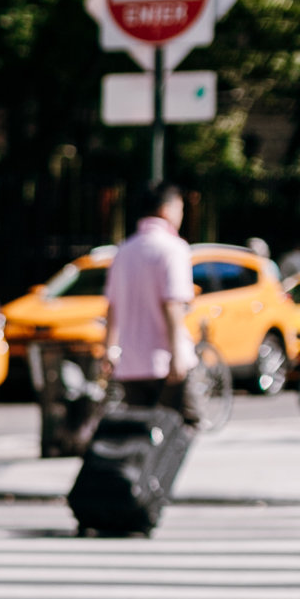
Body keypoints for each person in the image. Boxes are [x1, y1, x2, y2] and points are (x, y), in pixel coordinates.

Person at [100, 182, 200, 427]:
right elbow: (173, 304)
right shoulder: (173, 248)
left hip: (131, 364)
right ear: (167, 210)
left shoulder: (123, 251)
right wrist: (177, 354)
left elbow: (112, 306)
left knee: (142, 435)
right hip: (165, 360)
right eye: (181, 209)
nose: (182, 216)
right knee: (186, 425)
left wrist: (109, 349)